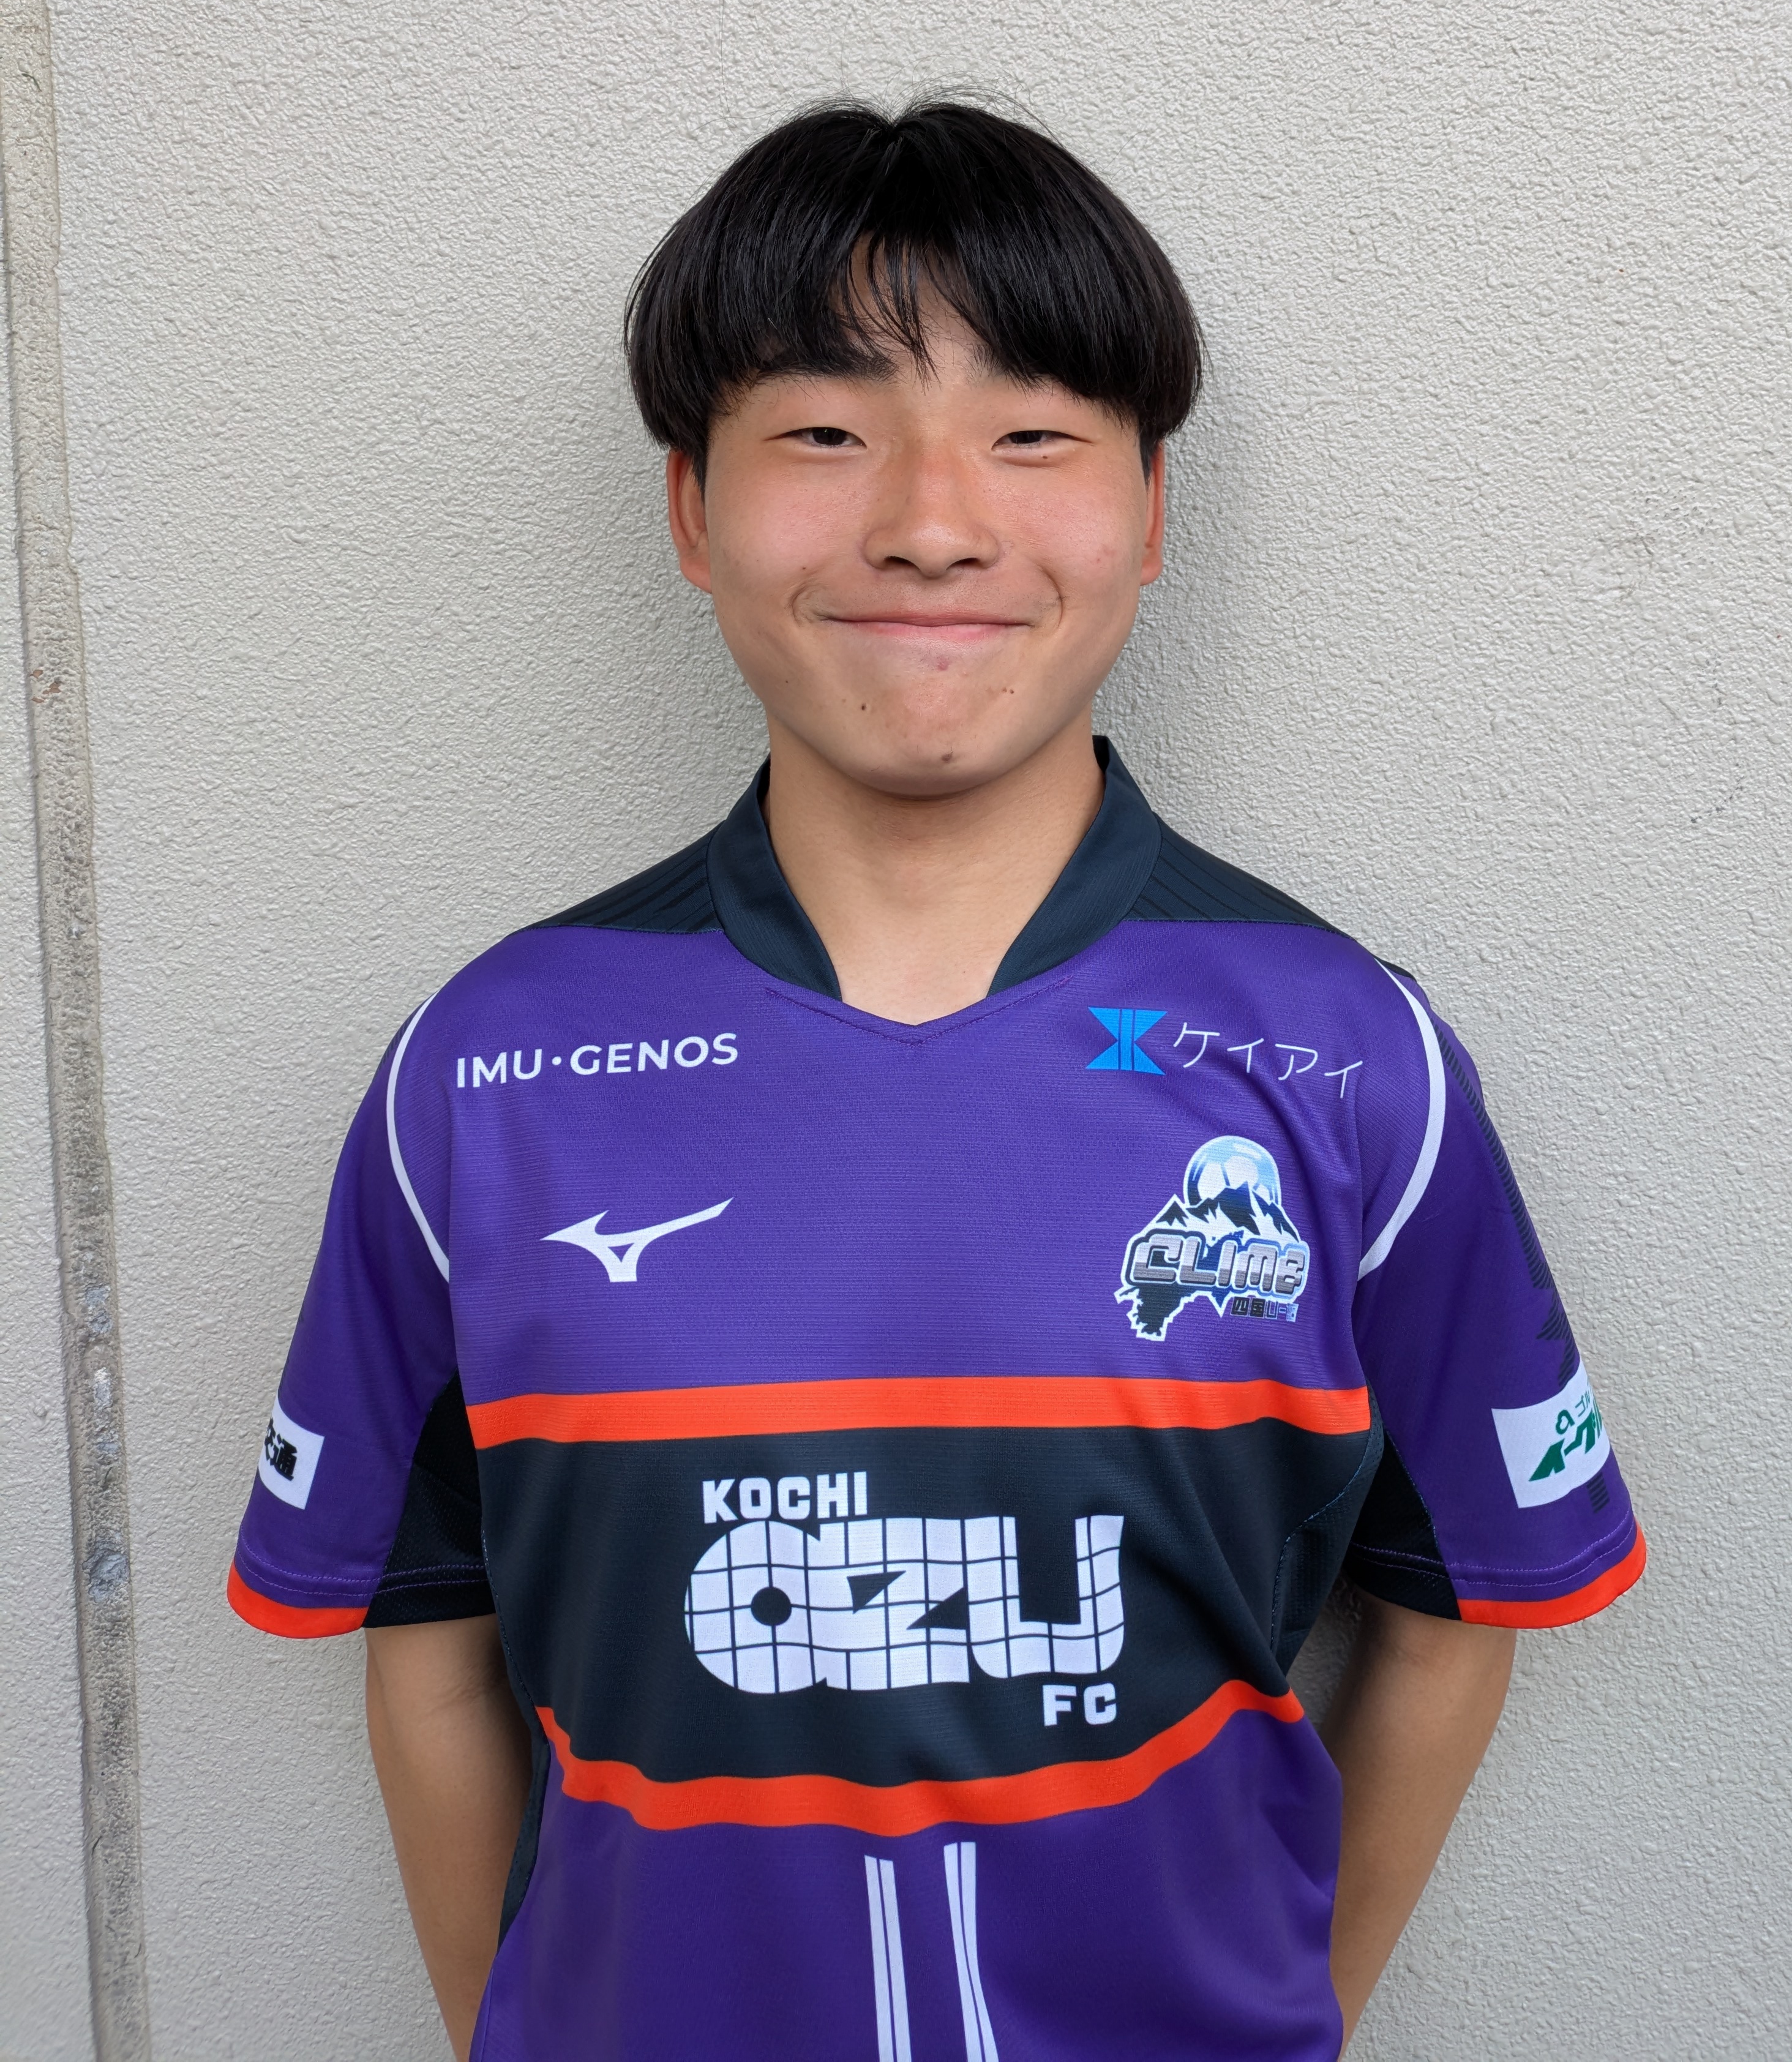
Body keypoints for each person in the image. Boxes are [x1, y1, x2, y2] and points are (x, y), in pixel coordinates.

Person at [228, 99, 1644, 2061]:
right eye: (824, 431)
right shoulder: (487, 1071)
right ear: (689, 507)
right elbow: (426, 1636)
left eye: (1034, 433)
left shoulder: (1344, 1057)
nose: (930, 519)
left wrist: (1287, 2020)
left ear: (1152, 510)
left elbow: (1453, 1599)